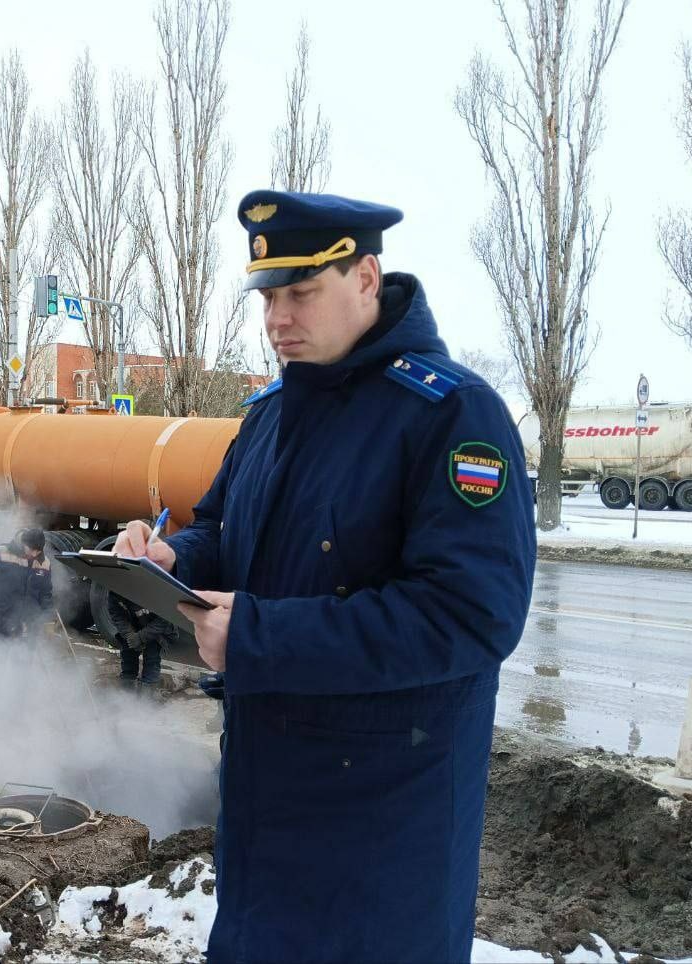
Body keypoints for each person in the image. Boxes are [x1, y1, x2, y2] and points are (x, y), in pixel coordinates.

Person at [114, 190, 536, 964]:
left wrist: (262, 636)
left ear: (367, 278)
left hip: (383, 826)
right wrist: (175, 557)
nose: (278, 319)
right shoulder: (272, 413)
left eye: (301, 293)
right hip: (266, 799)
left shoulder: (451, 415)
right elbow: (222, 529)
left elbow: (472, 616)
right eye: (269, 297)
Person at [0, 527, 53, 655]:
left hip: (28, 626)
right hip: (1, 622)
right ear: (23, 543)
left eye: (37, 551)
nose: (33, 554)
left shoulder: (44, 563)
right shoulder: (0, 553)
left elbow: (46, 594)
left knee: (21, 669)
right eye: (31, 549)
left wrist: (48, 619)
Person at [105, 592, 178, 687]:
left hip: (157, 630)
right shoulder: (114, 593)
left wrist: (141, 637)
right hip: (133, 626)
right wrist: (130, 635)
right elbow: (118, 616)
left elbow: (165, 619)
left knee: (152, 658)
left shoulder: (159, 590)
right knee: (128, 653)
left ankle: (147, 695)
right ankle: (126, 691)